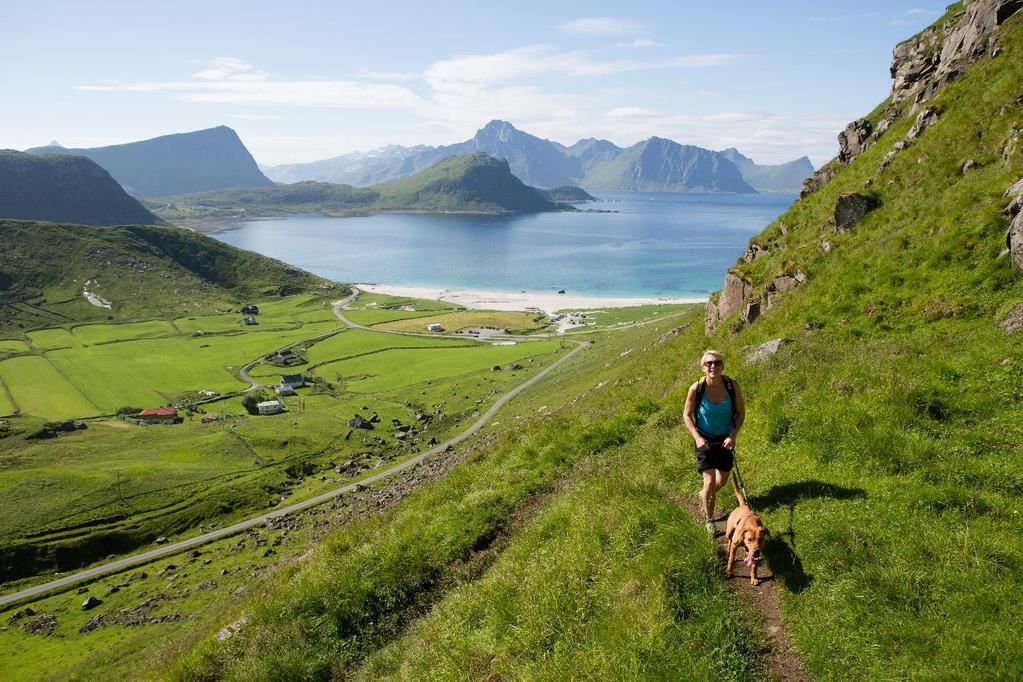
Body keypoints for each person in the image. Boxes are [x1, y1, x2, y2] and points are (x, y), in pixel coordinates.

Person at [683, 349, 745, 533]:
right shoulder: (696, 389)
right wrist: (697, 437)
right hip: (704, 440)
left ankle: (704, 496)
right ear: (703, 367)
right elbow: (686, 415)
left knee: (722, 481)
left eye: (717, 363)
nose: (713, 366)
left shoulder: (732, 386)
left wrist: (732, 435)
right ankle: (709, 520)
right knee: (709, 483)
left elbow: (741, 413)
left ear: (722, 366)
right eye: (709, 363)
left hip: (726, 439)